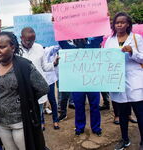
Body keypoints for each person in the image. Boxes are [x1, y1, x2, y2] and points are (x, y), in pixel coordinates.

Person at [0, 31, 49, 150]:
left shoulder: (24, 66)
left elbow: (43, 87)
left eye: (2, 47)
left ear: (13, 47)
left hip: (20, 123)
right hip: (1, 124)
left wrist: (24, 98)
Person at [104, 12, 143, 150]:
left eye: (123, 22)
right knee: (122, 115)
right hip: (117, 82)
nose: (119, 24)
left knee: (140, 114)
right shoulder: (109, 40)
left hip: (135, 82)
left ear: (128, 24)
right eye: (117, 22)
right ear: (113, 25)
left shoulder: (136, 38)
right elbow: (105, 59)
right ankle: (125, 139)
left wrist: (132, 52)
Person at [58, 36, 103, 136]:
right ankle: (79, 127)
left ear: (86, 38)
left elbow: (99, 37)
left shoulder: (92, 47)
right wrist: (58, 26)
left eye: (82, 37)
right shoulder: (70, 50)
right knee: (79, 106)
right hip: (77, 84)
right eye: (77, 38)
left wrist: (100, 22)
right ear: (73, 40)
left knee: (95, 106)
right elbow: (61, 41)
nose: (79, 40)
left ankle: (96, 128)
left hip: (92, 83)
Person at [20, 27, 60, 130]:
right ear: (21, 38)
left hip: (38, 89)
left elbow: (44, 67)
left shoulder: (38, 48)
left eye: (33, 40)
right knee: (26, 119)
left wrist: (54, 64)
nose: (31, 43)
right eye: (28, 40)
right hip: (23, 90)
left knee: (38, 116)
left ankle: (39, 141)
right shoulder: (15, 50)